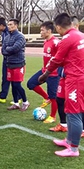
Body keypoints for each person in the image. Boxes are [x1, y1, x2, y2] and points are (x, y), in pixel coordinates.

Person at [38, 13, 84, 157]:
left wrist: (45, 74)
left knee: (73, 113)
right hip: (76, 77)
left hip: (75, 79)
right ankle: (69, 140)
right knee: (68, 109)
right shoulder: (80, 35)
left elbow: (57, 59)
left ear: (58, 27)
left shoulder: (68, 38)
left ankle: (73, 149)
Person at [27, 21, 59, 123]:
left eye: (42, 30)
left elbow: (61, 58)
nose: (40, 32)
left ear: (49, 31)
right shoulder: (45, 41)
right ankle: (46, 98)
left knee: (54, 96)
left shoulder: (56, 42)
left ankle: (52, 116)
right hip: (44, 71)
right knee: (31, 83)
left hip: (53, 74)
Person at [0, 17, 21, 104]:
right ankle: (2, 97)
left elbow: (13, 48)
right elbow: (3, 48)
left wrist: (7, 50)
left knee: (14, 80)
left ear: (1, 25)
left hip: (14, 60)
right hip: (6, 59)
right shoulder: (3, 34)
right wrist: (5, 51)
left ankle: (18, 97)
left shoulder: (12, 34)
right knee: (5, 78)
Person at [3, 19, 30, 111]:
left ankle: (26, 102)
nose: (9, 26)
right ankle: (16, 103)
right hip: (9, 64)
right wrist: (8, 50)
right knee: (12, 84)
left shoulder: (20, 37)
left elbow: (15, 48)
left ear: (16, 25)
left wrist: (8, 49)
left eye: (11, 24)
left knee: (17, 84)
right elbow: (3, 50)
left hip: (18, 64)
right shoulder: (6, 37)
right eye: (8, 24)